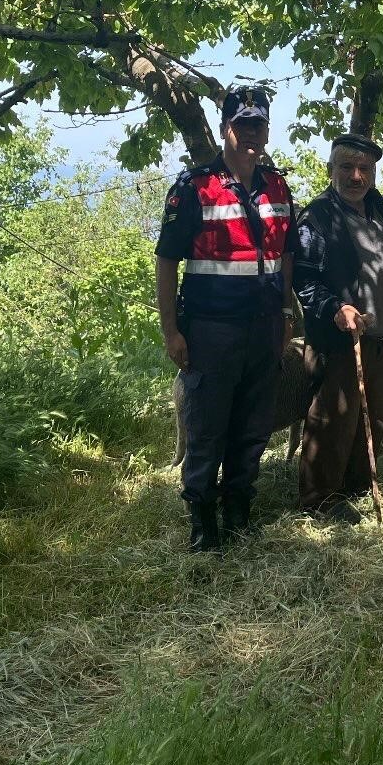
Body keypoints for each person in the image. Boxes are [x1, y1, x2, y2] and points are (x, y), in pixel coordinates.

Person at [155, 87, 294, 551]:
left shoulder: (277, 186)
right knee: (207, 426)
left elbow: (285, 254)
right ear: (225, 129)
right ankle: (202, 525)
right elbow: (167, 260)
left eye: (259, 125)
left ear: (266, 131)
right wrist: (171, 330)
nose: (251, 133)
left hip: (264, 327)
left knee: (252, 426)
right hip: (211, 329)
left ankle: (239, 511)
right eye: (242, 125)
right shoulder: (195, 187)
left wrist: (287, 310)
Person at [289, 133, 383, 522]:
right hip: (340, 339)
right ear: (330, 171)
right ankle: (319, 499)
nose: (356, 176)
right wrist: (336, 307)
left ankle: (355, 484)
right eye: (346, 167)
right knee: (333, 418)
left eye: (365, 169)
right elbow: (304, 280)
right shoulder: (318, 217)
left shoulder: (374, 209)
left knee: (369, 415)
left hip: (380, 337)